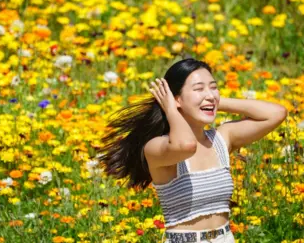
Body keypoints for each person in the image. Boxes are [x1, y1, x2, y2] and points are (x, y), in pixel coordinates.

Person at [98, 58, 288, 243]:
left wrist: (213, 101)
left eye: (213, 87)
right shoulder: (156, 146)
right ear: (176, 99)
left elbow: (276, 113)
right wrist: (172, 109)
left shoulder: (221, 139)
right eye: (199, 89)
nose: (210, 94)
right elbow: (186, 146)